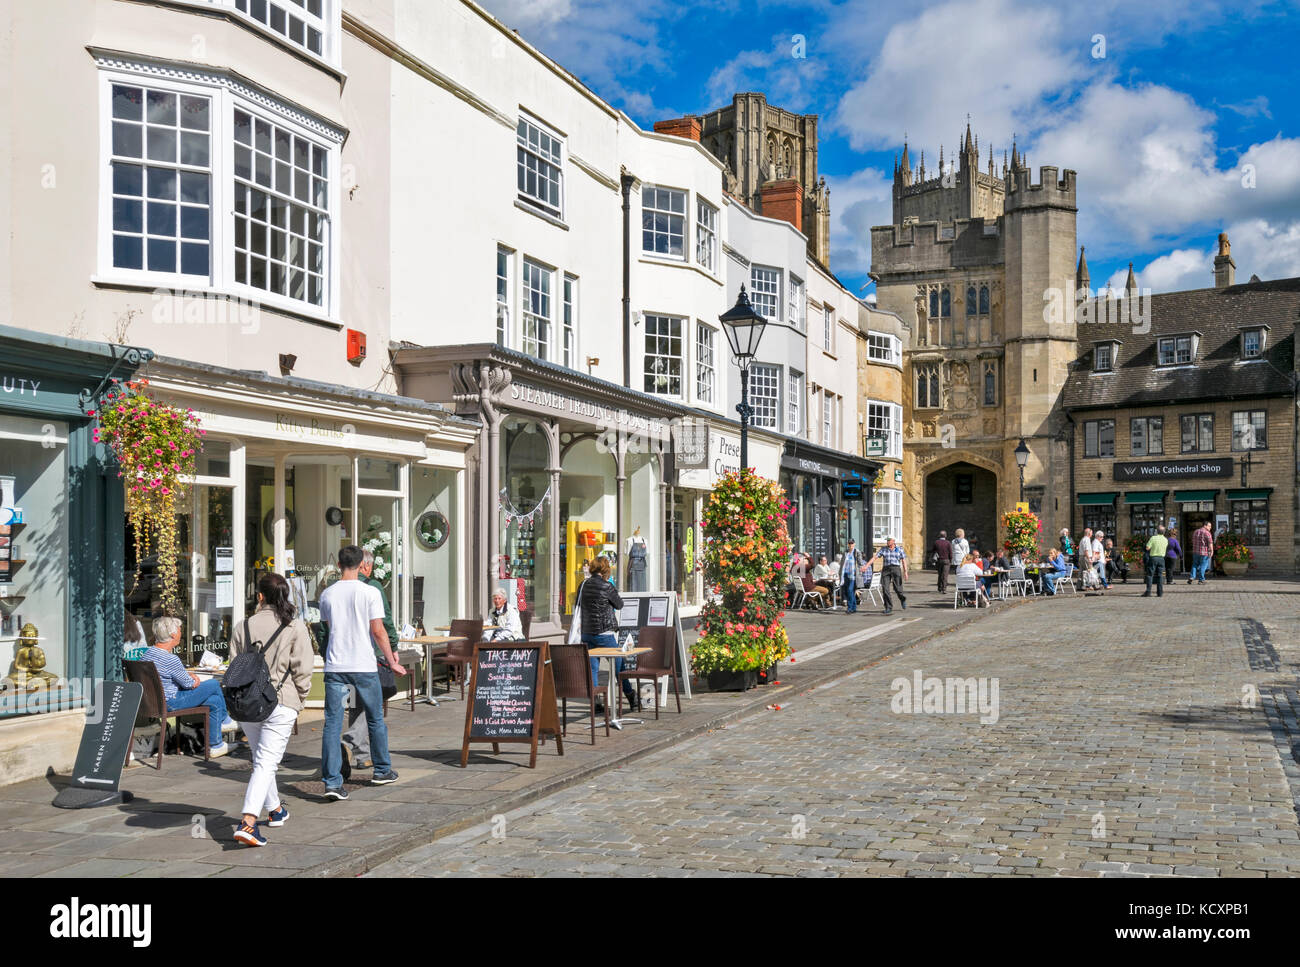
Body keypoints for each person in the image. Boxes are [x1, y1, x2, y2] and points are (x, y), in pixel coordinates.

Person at [230, 573, 314, 847]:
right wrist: (300, 698)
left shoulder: (243, 626)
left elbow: (233, 666)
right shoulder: (295, 626)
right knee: (266, 763)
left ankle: (276, 810)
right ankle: (248, 823)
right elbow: (303, 668)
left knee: (261, 761)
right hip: (280, 700)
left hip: (248, 702)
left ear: (260, 596)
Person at [318, 544, 406, 799]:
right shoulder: (370, 592)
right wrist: (391, 661)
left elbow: (328, 629)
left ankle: (332, 782)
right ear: (362, 565)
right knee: (375, 719)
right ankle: (381, 770)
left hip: (336, 666)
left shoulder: (327, 594)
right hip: (364, 665)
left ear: (339, 566)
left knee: (332, 725)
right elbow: (378, 630)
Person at [340, 548, 402, 775]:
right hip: (370, 654)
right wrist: (393, 649)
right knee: (372, 704)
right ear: (365, 566)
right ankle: (348, 743)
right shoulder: (373, 587)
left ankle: (363, 756)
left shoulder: (337, 590)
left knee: (356, 704)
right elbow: (383, 623)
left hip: (344, 657)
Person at [143, 616, 235, 757]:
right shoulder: (171, 659)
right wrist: (194, 678)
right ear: (173, 635)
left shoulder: (148, 654)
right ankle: (225, 720)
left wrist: (188, 676)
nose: (181, 632)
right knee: (214, 683)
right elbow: (189, 684)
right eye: (180, 630)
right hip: (172, 702)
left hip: (155, 702)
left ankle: (216, 745)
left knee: (214, 701)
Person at [579, 556, 637, 712]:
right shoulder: (607, 586)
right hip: (605, 633)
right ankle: (631, 695)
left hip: (586, 632)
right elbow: (619, 604)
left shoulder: (582, 585)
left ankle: (596, 702)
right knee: (619, 666)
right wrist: (610, 585)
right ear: (605, 570)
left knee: (592, 668)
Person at [871, 537, 908, 614]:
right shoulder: (883, 549)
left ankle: (902, 599)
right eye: (887, 541)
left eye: (889, 540)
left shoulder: (899, 549)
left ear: (893, 541)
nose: (887, 542)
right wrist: (866, 565)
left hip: (896, 568)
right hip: (886, 569)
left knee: (898, 588)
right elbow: (875, 557)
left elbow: (903, 560)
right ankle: (888, 607)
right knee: (885, 589)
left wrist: (905, 572)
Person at [1142, 526, 1169, 598]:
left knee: (1150, 575)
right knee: (1160, 576)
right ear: (1164, 532)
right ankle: (1160, 592)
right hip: (1161, 558)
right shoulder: (1165, 540)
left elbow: (1147, 548)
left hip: (1153, 558)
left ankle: (1148, 591)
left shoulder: (1153, 538)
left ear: (1156, 531)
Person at [840, 539, 865, 614]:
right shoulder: (845, 552)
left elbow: (860, 563)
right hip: (845, 574)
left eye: (852, 543)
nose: (851, 545)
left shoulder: (857, 552)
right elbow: (842, 564)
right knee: (849, 592)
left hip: (853, 575)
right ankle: (854, 607)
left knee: (850, 590)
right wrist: (840, 574)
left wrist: (862, 569)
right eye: (849, 543)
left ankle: (849, 607)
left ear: (854, 544)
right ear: (848, 544)